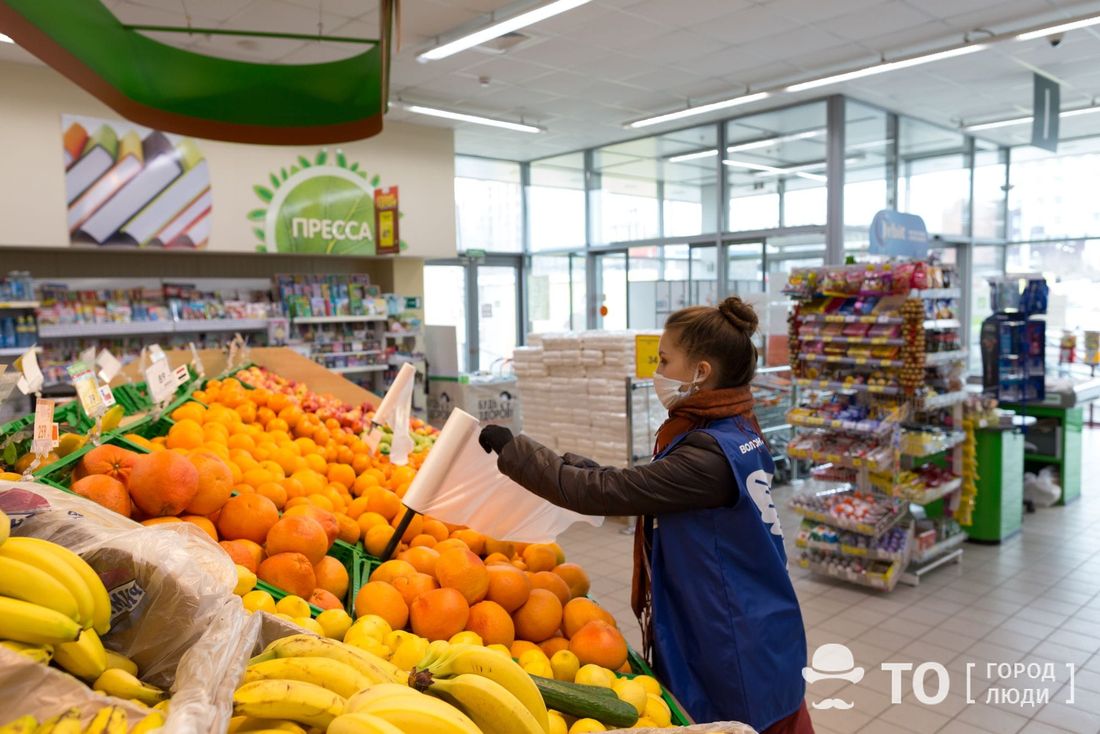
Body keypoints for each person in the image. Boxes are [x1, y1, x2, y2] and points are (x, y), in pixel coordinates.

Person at [479, 297, 812, 733]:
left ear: (701, 372)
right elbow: (634, 482)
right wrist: (557, 459)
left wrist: (515, 450)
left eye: (665, 360)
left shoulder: (708, 456)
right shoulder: (734, 427)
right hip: (758, 619)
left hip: (735, 639)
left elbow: (605, 491)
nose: (657, 371)